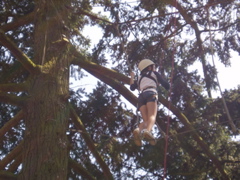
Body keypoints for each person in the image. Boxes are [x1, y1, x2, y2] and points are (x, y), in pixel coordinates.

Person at [130, 59, 170, 146]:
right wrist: (168, 86)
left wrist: (132, 76)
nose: (154, 69)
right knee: (152, 116)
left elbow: (132, 87)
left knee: (146, 120)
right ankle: (147, 131)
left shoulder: (139, 78)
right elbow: (166, 85)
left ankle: (138, 130)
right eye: (153, 67)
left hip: (141, 97)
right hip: (151, 93)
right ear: (149, 67)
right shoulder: (154, 73)